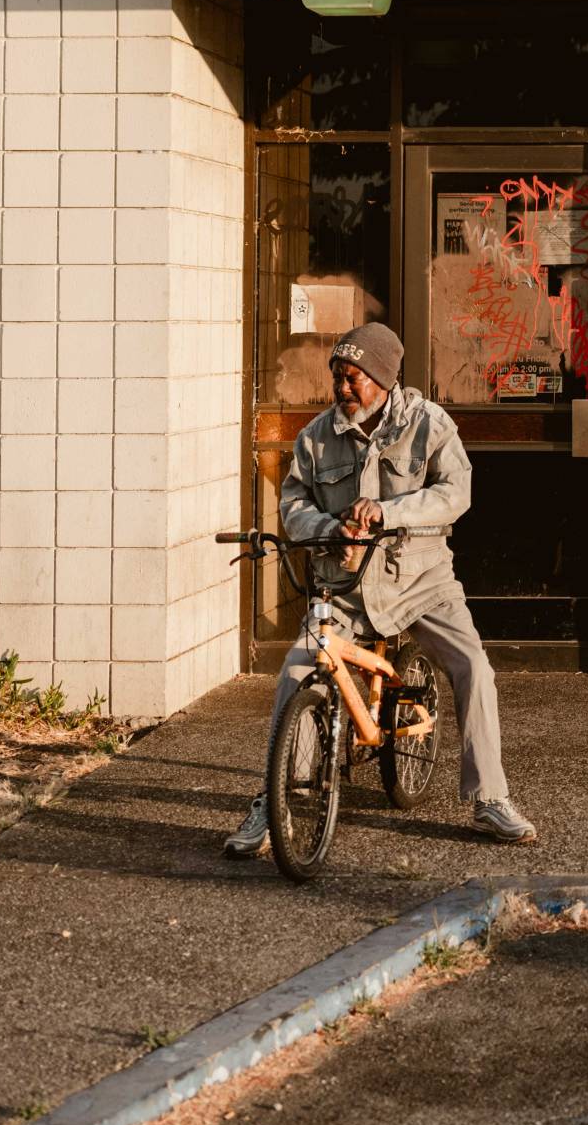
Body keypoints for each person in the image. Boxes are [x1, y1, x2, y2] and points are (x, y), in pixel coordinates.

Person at [224, 321, 538, 855]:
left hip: (421, 581)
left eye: (354, 379)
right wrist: (329, 530)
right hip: (343, 587)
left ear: (383, 379)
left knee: (473, 666)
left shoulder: (428, 423)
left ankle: (491, 798)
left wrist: (386, 513)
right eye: (337, 377)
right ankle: (278, 798)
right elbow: (294, 505)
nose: (343, 390)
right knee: (298, 669)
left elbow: (454, 493)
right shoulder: (315, 437)